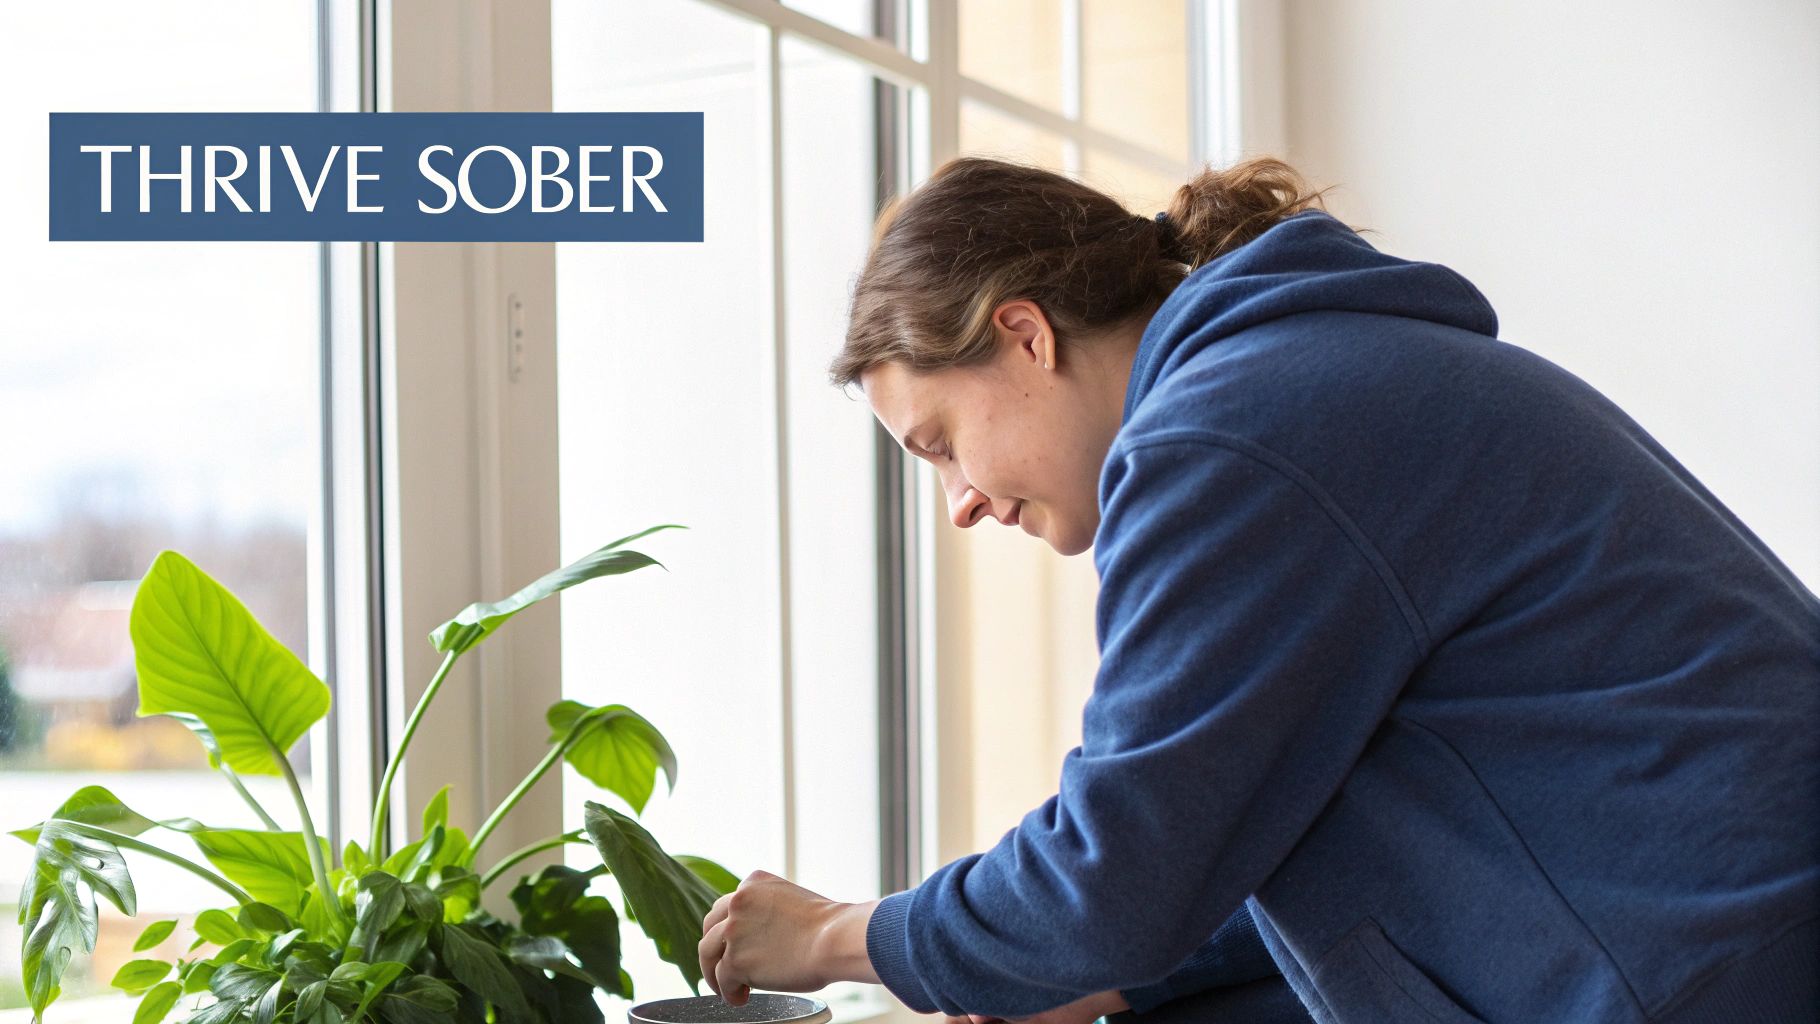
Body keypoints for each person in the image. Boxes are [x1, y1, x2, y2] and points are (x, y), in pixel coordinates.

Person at [694, 155, 1820, 1024]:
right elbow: (1247, 842)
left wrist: (836, 936)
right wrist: (1109, 980)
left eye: (940, 443)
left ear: (1024, 335)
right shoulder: (1299, 375)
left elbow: (1111, 877)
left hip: (1701, 967)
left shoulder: (1227, 438)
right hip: (1721, 933)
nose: (961, 502)